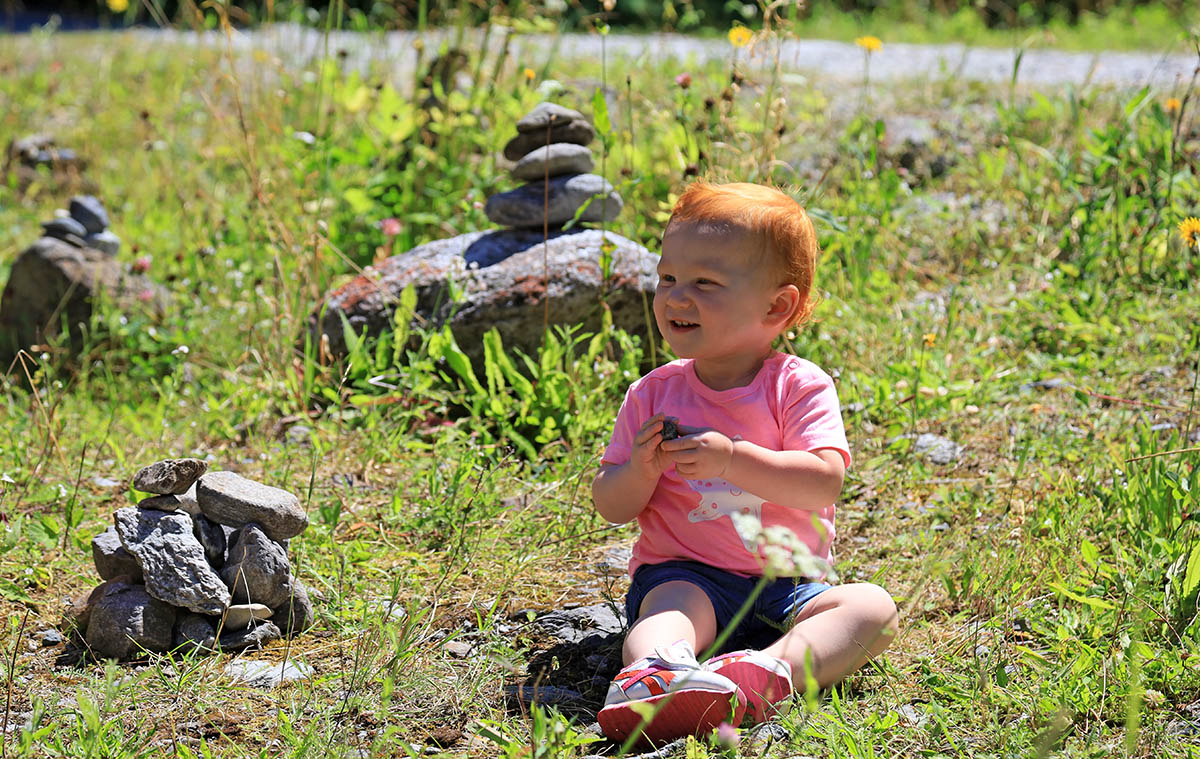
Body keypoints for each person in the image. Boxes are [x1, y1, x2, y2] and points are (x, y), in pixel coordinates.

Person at [591, 182, 898, 744]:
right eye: (668, 279)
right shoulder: (652, 393)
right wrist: (640, 470)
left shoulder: (797, 386)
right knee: (669, 606)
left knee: (870, 607)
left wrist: (732, 459)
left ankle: (767, 674)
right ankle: (654, 672)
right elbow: (611, 503)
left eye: (704, 283)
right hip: (687, 572)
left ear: (776, 306)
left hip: (790, 584)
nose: (676, 297)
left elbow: (822, 480)